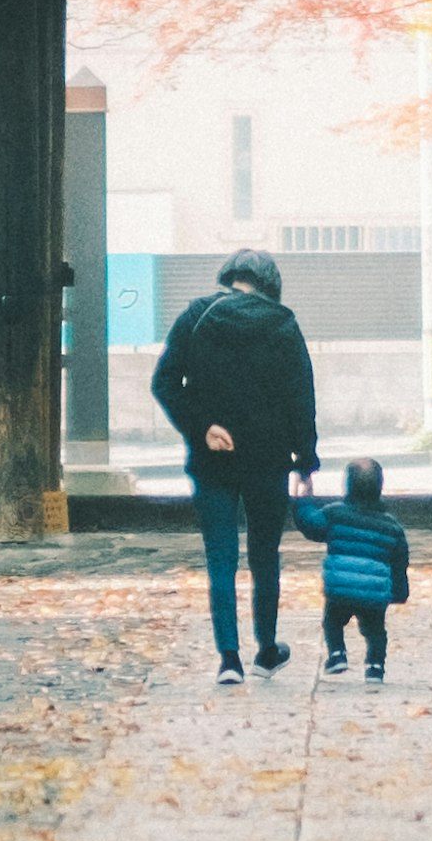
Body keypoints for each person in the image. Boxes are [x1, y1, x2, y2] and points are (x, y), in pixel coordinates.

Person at [149, 246, 320, 680]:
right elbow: (301, 398)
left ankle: (229, 659)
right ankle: (265, 649)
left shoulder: (197, 316)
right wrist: (306, 460)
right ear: (270, 284)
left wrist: (202, 427)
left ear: (229, 277)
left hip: (213, 460)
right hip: (269, 460)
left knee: (220, 558)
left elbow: (164, 382)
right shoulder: (283, 324)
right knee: (265, 555)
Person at [292, 457, 413, 682]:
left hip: (340, 589)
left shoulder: (335, 514)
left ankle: (337, 654)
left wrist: (304, 500)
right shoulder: (391, 526)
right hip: (373, 592)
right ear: (380, 487)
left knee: (332, 621)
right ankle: (375, 667)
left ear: (346, 485)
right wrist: (399, 592)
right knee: (376, 630)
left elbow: (311, 525)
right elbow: (399, 562)